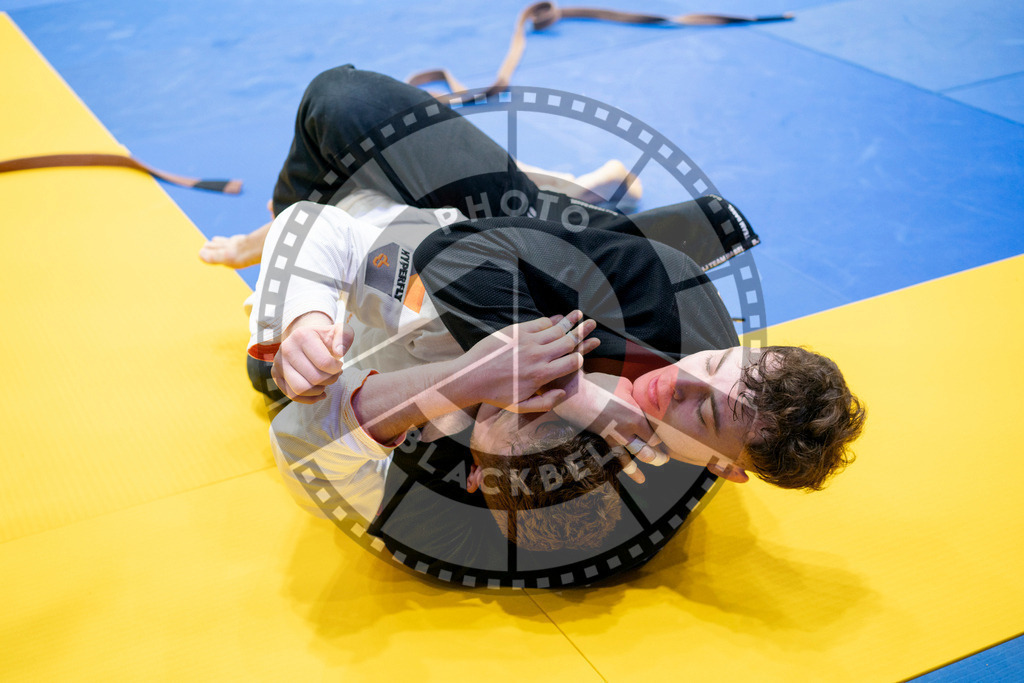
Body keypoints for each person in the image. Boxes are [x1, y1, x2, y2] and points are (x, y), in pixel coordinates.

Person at [233, 65, 864, 583]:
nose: (682, 383)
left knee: (279, 363)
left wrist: (451, 379)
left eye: (707, 414)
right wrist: (574, 386)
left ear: (475, 476)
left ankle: (288, 235)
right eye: (718, 369)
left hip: (395, 324)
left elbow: (301, 443)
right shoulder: (685, 315)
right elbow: (470, 245)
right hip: (515, 234)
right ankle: (578, 195)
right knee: (344, 102)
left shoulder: (472, 517)